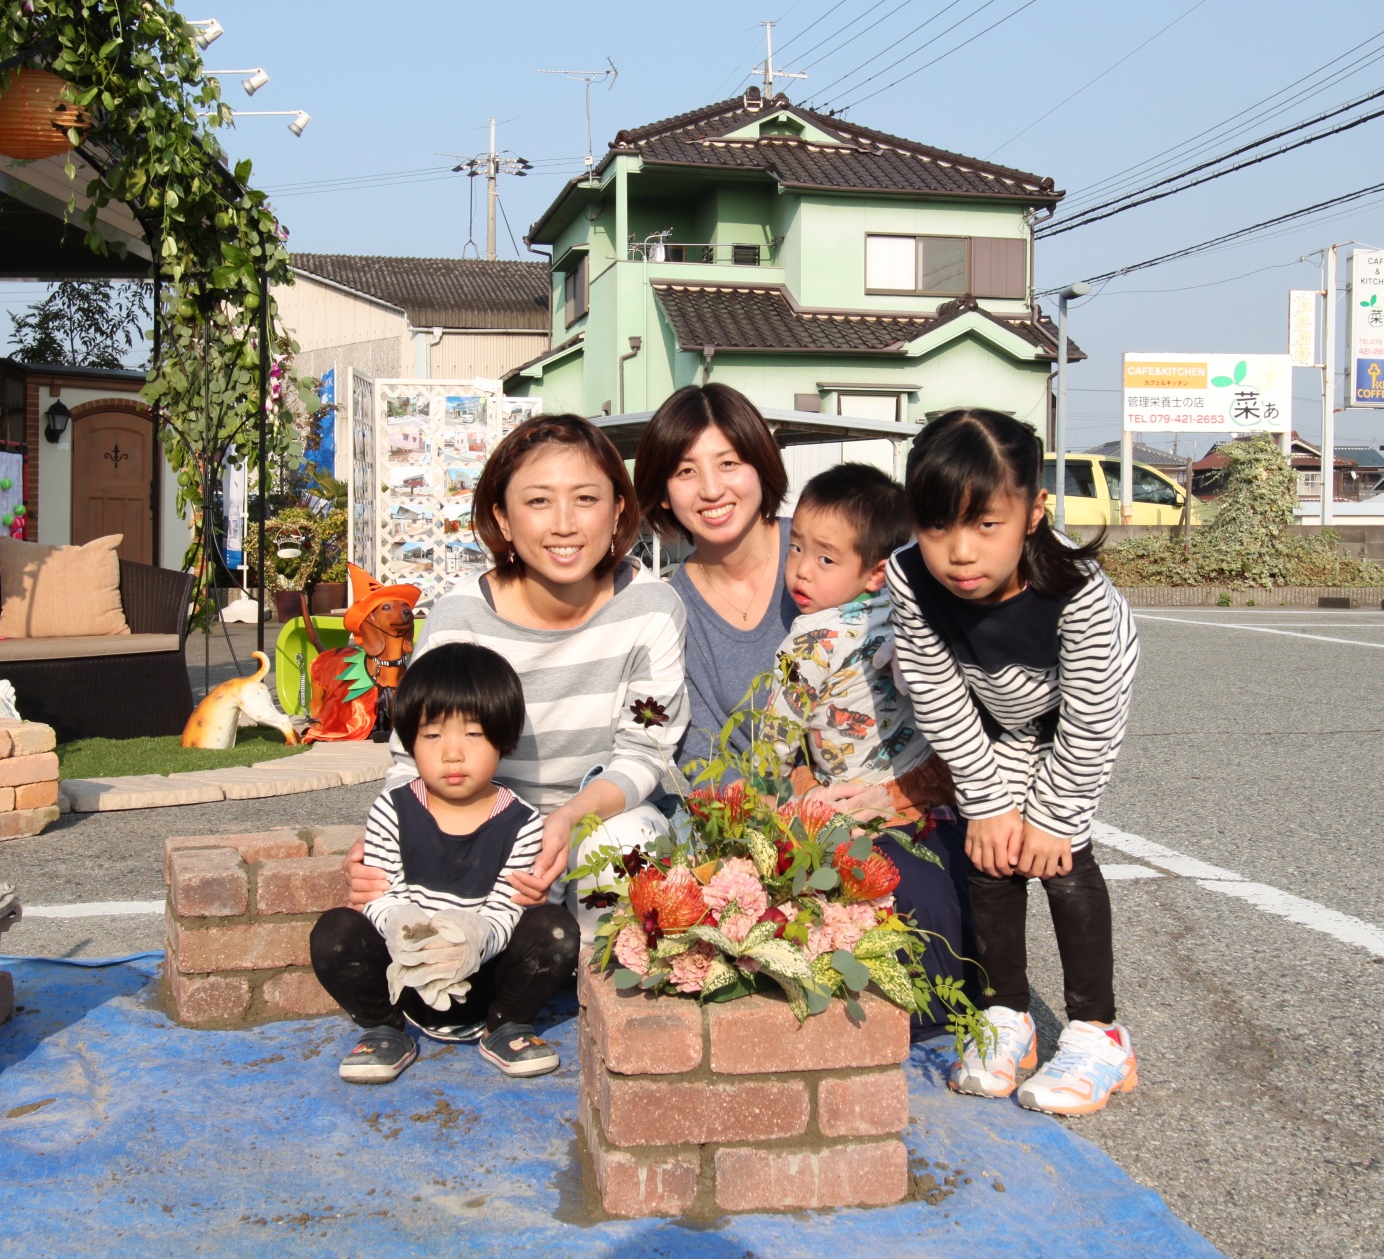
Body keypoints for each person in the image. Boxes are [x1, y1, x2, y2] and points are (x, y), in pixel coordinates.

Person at [885, 409, 1141, 1116]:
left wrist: (1054, 816)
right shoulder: (910, 578)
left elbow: (1092, 715)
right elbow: (935, 692)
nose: (959, 553)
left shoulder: (1080, 593)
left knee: (1060, 859)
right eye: (937, 527)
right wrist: (989, 801)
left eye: (985, 525)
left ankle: (1100, 1035)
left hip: (1069, 718)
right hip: (989, 718)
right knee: (990, 852)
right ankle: (1007, 1018)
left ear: (1033, 512)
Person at [345, 414, 687, 924]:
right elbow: (412, 757)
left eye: (586, 499)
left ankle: (603, 986)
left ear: (618, 510)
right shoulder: (459, 618)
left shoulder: (652, 608)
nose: (564, 523)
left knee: (627, 844)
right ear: (502, 518)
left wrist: (569, 819)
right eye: (538, 501)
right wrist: (384, 840)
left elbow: (647, 753)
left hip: (601, 820)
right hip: (481, 830)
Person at [764, 462, 972, 1032]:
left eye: (826, 558)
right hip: (877, 806)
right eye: (797, 548)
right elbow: (777, 733)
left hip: (900, 796)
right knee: (932, 889)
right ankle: (946, 1011)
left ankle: (948, 1007)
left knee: (938, 886)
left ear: (877, 571)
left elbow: (776, 733)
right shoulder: (817, 639)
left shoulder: (879, 621)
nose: (802, 570)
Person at [310, 642, 575, 1083]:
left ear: (504, 738)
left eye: (473, 734)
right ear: (410, 740)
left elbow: (505, 912)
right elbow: (380, 894)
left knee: (554, 928)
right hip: (404, 977)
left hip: (486, 978)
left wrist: (468, 942)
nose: (453, 753)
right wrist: (409, 935)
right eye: (432, 735)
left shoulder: (525, 822)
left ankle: (508, 1025)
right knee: (335, 932)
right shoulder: (391, 809)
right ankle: (383, 1029)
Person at [631, 384, 798, 785]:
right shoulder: (669, 611)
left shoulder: (832, 553)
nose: (710, 489)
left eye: (729, 464)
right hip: (763, 826)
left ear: (761, 466)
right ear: (665, 494)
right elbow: (699, 756)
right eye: (686, 471)